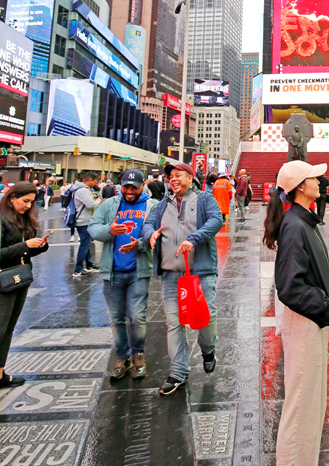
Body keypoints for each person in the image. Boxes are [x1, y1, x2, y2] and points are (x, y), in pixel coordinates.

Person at [263, 160, 329, 466]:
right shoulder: (294, 225)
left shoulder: (302, 218)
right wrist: (323, 305)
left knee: (312, 405)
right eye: (313, 177)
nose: (320, 181)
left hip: (310, 321)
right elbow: (289, 286)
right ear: (297, 186)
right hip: (305, 319)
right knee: (300, 411)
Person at [142, 161, 222, 395]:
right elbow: (147, 224)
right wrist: (151, 234)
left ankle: (208, 349)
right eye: (170, 177)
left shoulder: (204, 199)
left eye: (178, 175)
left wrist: (194, 238)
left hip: (201, 269)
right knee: (174, 323)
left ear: (190, 177)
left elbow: (216, 220)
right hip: (170, 272)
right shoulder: (161, 205)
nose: (173, 179)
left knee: (206, 317)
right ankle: (178, 371)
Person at [89, 170, 157, 381]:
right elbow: (93, 228)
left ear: (142, 186)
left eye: (133, 188)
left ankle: (138, 354)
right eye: (125, 187)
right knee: (117, 318)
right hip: (112, 271)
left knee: (137, 316)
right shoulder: (110, 204)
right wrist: (109, 230)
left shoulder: (151, 206)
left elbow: (158, 234)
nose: (129, 192)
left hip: (139, 270)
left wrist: (141, 245)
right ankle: (122, 356)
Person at [0, 183, 50, 387]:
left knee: (9, 327)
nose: (28, 206)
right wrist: (25, 245)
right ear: (12, 198)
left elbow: (24, 251)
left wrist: (39, 245)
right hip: (3, 280)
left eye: (31, 202)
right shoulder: (2, 219)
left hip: (19, 278)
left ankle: (1, 373)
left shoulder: (23, 219)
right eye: (25, 201)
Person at [70, 172, 100, 277]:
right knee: (85, 245)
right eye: (95, 181)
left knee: (86, 243)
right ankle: (78, 269)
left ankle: (89, 265)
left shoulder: (78, 189)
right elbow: (90, 205)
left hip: (81, 220)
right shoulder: (83, 190)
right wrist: (98, 201)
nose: (96, 183)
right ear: (90, 180)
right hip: (84, 221)